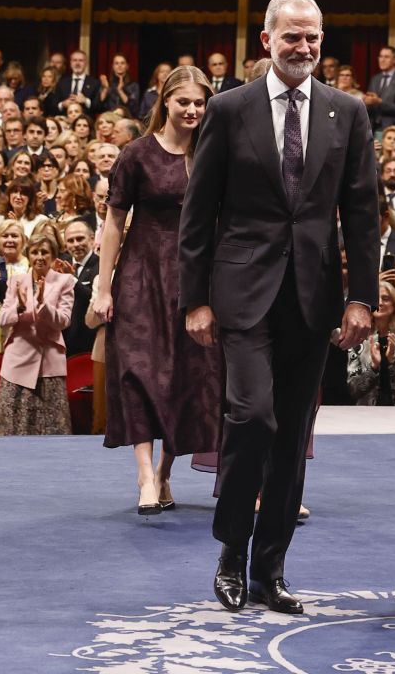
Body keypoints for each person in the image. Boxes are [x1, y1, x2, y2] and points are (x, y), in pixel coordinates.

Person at [179, 0, 379, 616]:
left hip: (313, 301)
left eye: (313, 36)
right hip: (242, 296)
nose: (304, 47)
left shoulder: (347, 112)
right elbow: (199, 212)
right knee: (254, 417)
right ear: (266, 41)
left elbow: (363, 214)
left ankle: (270, 570)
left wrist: (362, 298)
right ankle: (230, 554)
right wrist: (195, 300)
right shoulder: (228, 109)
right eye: (292, 36)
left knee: (292, 436)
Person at [95, 64, 220, 512]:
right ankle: (145, 476)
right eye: (183, 101)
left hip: (194, 279)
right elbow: (113, 221)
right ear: (165, 101)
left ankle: (166, 472)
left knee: (189, 377)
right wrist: (103, 285)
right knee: (139, 373)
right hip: (141, 275)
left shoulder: (212, 155)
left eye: (199, 103)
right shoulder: (136, 154)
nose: (191, 110)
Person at [0, 223, 74, 435]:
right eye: (35, 252)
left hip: (49, 364)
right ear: (28, 254)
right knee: (12, 429)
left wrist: (43, 305)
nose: (39, 257)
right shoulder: (15, 282)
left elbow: (64, 321)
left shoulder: (65, 281)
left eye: (45, 252)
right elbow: (2, 320)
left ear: (54, 256)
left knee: (52, 430)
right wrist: (19, 307)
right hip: (17, 362)